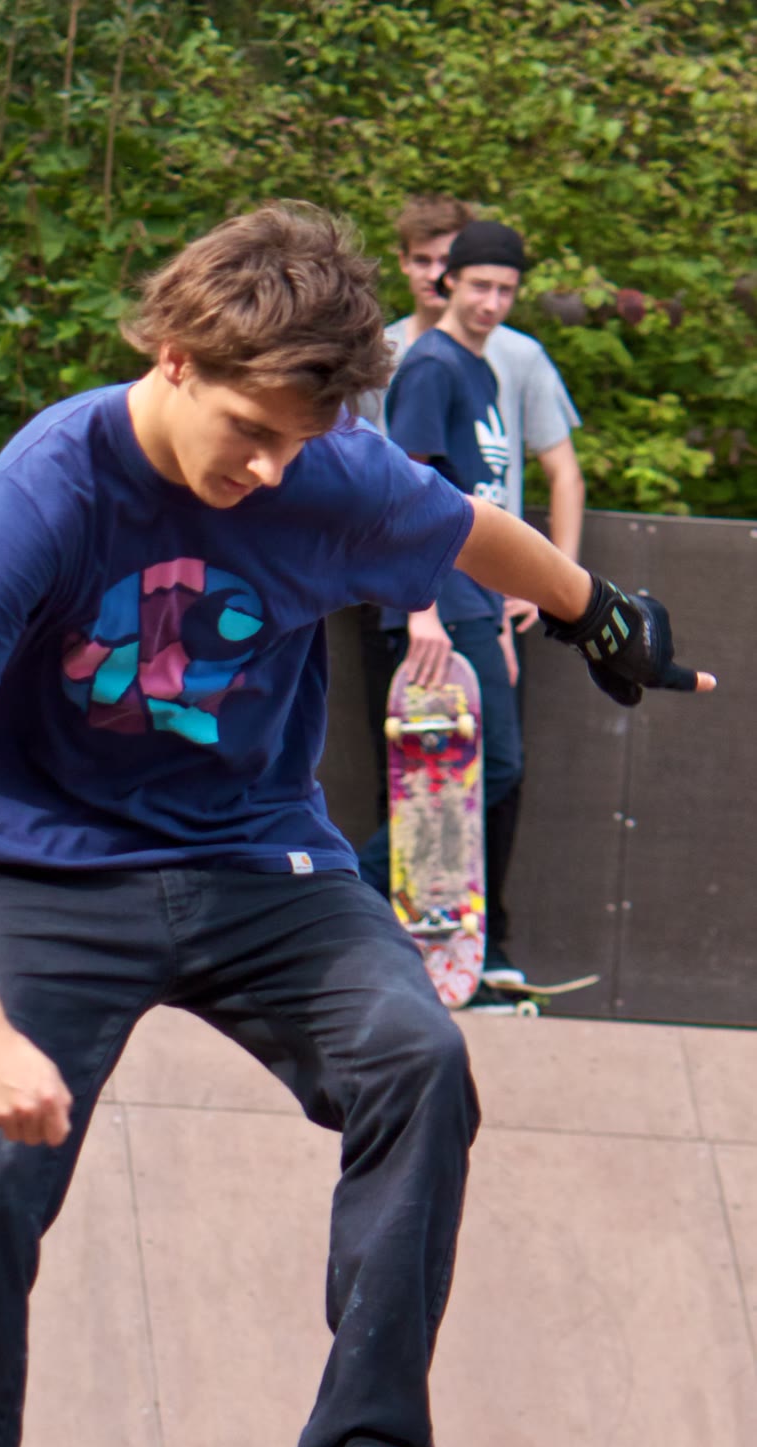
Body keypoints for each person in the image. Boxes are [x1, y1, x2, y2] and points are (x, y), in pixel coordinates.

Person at [0, 203, 712, 1447]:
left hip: (259, 864)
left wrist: (596, 611)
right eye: (247, 435)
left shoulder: (329, 468)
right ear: (174, 358)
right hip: (44, 870)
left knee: (417, 1058)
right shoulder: (52, 484)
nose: (265, 473)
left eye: (296, 446)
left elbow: (464, 525)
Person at [359, 199, 586, 980]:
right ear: (448, 281)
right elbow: (407, 491)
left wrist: (493, 615)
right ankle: (345, 900)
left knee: (483, 772)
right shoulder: (429, 366)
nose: (491, 302)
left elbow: (483, 502)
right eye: (479, 285)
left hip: (475, 604)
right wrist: (421, 611)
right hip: (438, 601)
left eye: (506, 290)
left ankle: (414, 936)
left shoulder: (483, 369)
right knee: (465, 777)